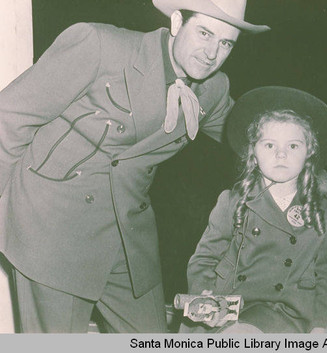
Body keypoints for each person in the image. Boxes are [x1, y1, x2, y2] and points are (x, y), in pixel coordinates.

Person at [0, 0, 269, 333]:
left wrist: (311, 171)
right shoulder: (99, 46)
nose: (212, 52)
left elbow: (257, 136)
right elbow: (9, 118)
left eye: (226, 43)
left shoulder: (213, 89)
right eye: (204, 33)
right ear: (176, 22)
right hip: (52, 229)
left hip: (127, 240)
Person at [181, 86, 327, 333]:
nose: (281, 154)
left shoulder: (325, 211)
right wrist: (203, 296)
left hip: (285, 314)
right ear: (253, 153)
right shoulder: (232, 202)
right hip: (226, 310)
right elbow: (204, 258)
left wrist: (321, 325)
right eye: (269, 145)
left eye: (293, 146)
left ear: (309, 152)